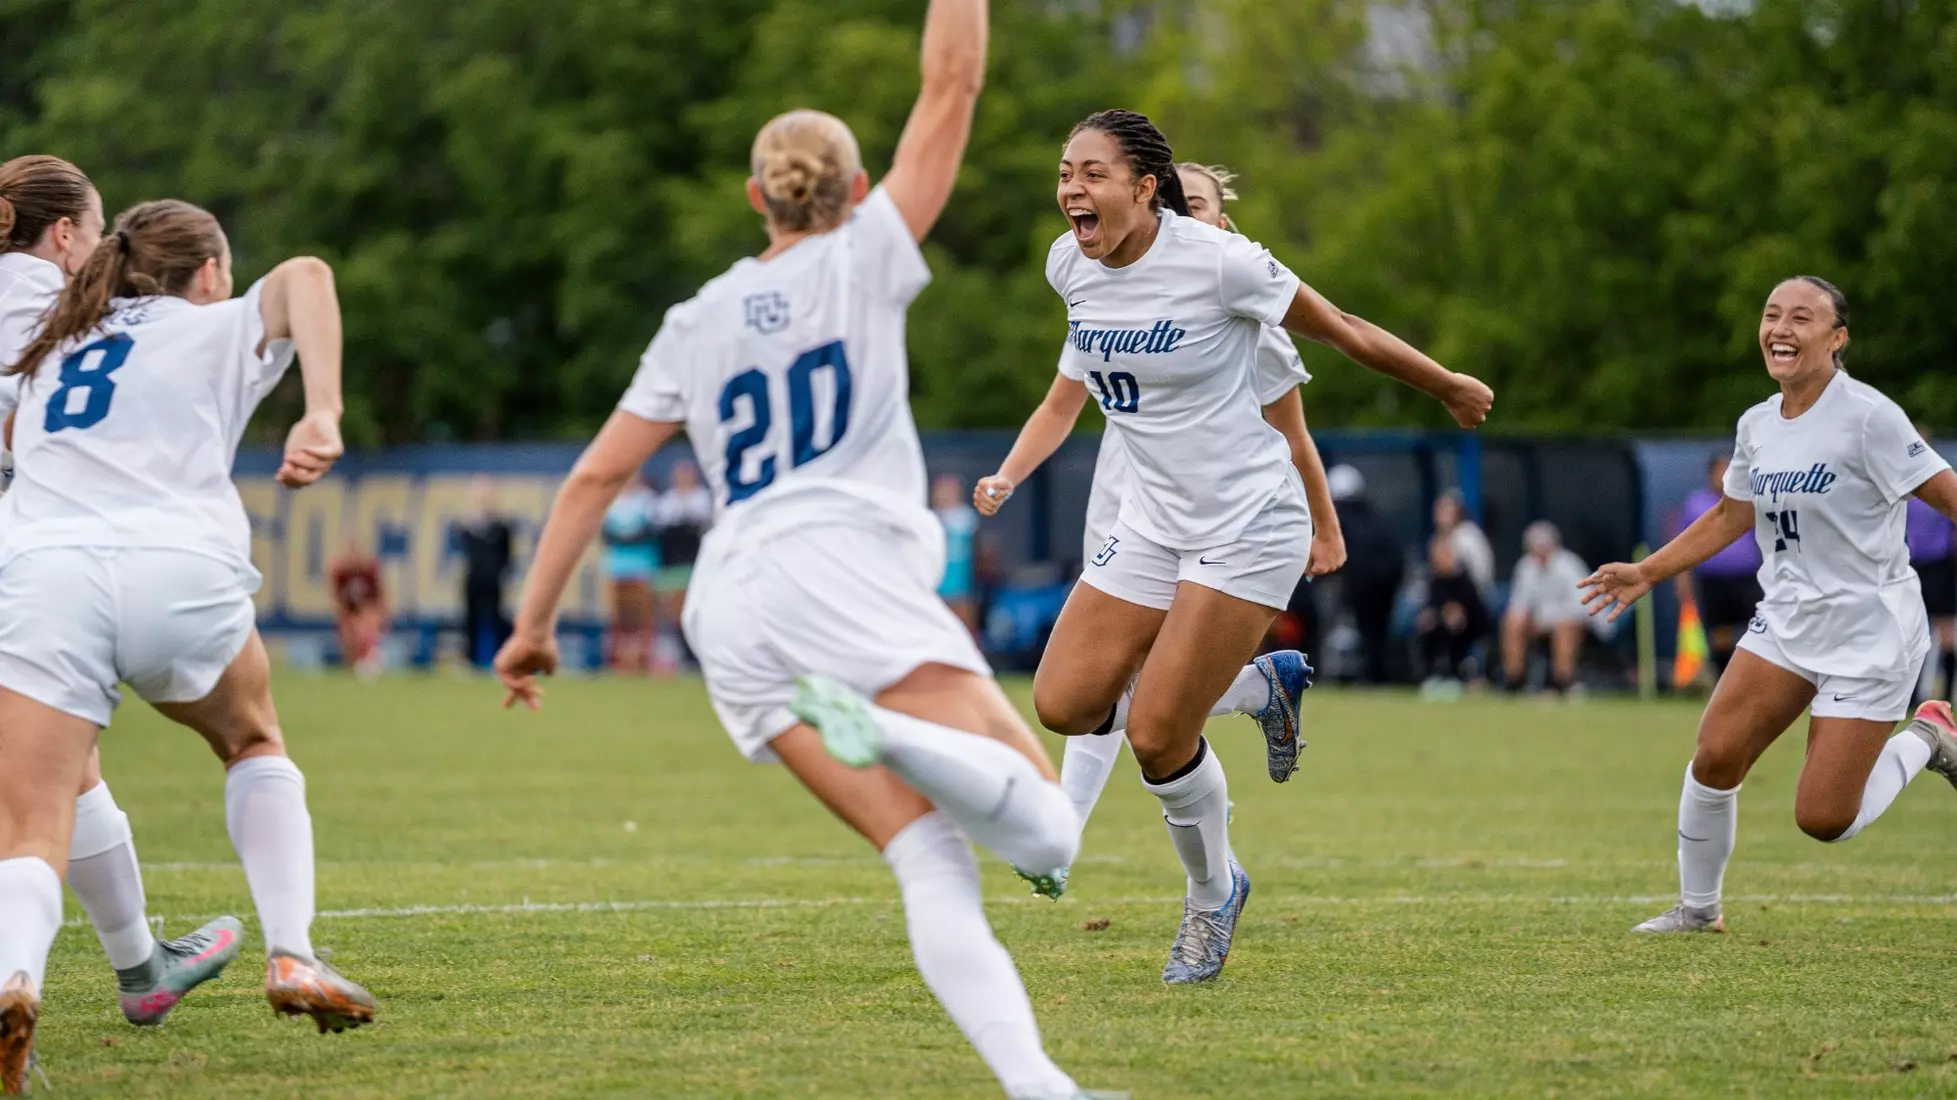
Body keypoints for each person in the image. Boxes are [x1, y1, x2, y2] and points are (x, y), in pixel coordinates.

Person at [493, 4, 1119, 1097]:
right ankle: (877, 721)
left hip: (731, 600)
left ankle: (1041, 1086)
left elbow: (596, 474)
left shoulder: (696, 317)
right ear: (858, 190)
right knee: (1052, 832)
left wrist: (533, 626)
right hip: (839, 563)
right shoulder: (865, 256)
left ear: (756, 198)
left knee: (928, 854)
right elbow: (952, 85)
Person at [975, 109, 1492, 983]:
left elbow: (1346, 327)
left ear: (1144, 188)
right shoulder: (1069, 265)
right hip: (1150, 521)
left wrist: (1443, 384)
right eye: (1064, 171)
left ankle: (1212, 894)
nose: (1071, 188)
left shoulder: (1221, 263)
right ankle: (1262, 689)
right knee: (1063, 702)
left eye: (1091, 172)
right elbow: (1069, 394)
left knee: (1155, 733)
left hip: (1246, 523)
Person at [0, 199, 377, 1092]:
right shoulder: (213, 327)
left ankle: (14, 978)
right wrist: (321, 411)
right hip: (179, 569)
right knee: (251, 741)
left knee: (30, 821)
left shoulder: (55, 345)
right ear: (208, 273)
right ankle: (291, 954)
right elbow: (311, 277)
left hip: (49, 577)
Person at [1580, 276, 1957, 936]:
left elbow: (1948, 496)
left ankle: (1928, 736)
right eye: (1771, 315)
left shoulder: (1869, 418)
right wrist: (1646, 570)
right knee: (1715, 755)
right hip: (1785, 621)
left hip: (1870, 633)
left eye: (1801, 318)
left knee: (1822, 819)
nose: (1779, 328)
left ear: (1836, 339)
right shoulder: (1756, 423)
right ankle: (1697, 910)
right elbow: (1731, 515)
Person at [1027, 160, 1345, 903]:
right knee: (1090, 690)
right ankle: (1252, 690)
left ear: (1221, 223)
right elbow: (1060, 400)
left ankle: (1078, 842)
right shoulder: (1103, 283)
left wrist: (1324, 528)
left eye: (1190, 204)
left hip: (1226, 528)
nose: (1174, 215)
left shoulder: (1247, 309)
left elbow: (1293, 439)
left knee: (1156, 717)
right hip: (1134, 515)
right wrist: (1008, 476)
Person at [0, 156, 245, 1044]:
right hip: (33, 555)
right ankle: (34, 973)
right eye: (98, 232)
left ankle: (143, 968)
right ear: (64, 234)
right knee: (33, 804)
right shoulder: (49, 313)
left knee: (62, 776)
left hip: (32, 559)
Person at [1673, 454, 1763, 675]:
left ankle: (1751, 677)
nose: (1725, 476)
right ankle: (1723, 677)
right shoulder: (1696, 503)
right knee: (1716, 633)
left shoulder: (1749, 501)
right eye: (1720, 470)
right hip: (1713, 580)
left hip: (1748, 578)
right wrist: (1681, 578)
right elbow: (1683, 542)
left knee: (1755, 629)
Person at [1328, 465, 1404, 685]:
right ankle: (1379, 674)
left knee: (1368, 629)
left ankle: (1374, 675)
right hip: (1389, 578)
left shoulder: (1339, 516)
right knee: (1380, 630)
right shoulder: (1370, 512)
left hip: (1363, 581)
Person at [1501, 520, 1589, 694]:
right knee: (1513, 620)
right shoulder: (1525, 566)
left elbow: (1581, 606)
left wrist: (1547, 619)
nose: (1539, 550)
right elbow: (1519, 604)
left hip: (1577, 623)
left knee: (1563, 625)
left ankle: (1564, 682)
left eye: (1543, 545)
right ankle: (1515, 680)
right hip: (1540, 624)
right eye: (1534, 546)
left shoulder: (1569, 565)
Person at [1905, 423, 1955, 701]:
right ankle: (1912, 696)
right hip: (1914, 565)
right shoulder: (1900, 485)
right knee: (1910, 631)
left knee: (1945, 631)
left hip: (1939, 564)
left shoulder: (1941, 480)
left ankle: (1945, 696)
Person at [652, 460, 712, 674]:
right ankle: (683, 655)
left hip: (697, 563)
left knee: (697, 609)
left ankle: (699, 656)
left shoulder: (702, 498)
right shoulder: (667, 501)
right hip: (672, 564)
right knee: (675, 612)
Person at [601, 473, 660, 673]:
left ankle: (643, 661)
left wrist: (626, 536)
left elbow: (651, 531)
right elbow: (606, 536)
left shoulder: (647, 501)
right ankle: (620, 662)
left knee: (642, 618)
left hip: (642, 567)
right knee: (619, 619)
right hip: (616, 568)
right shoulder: (612, 501)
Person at [454, 475, 514, 668]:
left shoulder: (501, 527)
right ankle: (470, 660)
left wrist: (499, 572)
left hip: (493, 580)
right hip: (474, 579)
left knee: (497, 618)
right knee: (470, 619)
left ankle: (501, 660)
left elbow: (507, 555)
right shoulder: (467, 526)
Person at [1417, 536, 1489, 684]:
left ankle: (1456, 674)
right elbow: (1432, 606)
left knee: (1453, 626)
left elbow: (1471, 611)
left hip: (1470, 628)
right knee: (1428, 628)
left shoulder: (1464, 580)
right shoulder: (1435, 581)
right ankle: (1429, 675)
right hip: (1441, 624)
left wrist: (1454, 613)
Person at [329, 537, 389, 680]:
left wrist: (381, 616)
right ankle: (354, 667)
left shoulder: (369, 570)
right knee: (349, 636)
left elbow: (379, 597)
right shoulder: (341, 571)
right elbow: (337, 599)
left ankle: (369, 661)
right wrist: (345, 619)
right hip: (350, 610)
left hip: (367, 609)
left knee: (365, 630)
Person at [932, 472, 982, 634]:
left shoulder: (966, 519)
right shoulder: (931, 518)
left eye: (949, 491)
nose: (944, 496)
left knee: (963, 629)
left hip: (962, 588)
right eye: (941, 491)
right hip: (935, 586)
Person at [1433, 489, 1495, 602]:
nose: (1439, 514)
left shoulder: (1467, 534)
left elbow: (1448, 569)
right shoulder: (1444, 535)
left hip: (1476, 600)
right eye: (1439, 509)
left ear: (1457, 511)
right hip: (1456, 597)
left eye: (1445, 509)